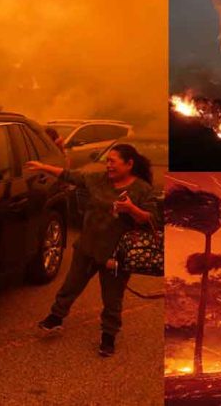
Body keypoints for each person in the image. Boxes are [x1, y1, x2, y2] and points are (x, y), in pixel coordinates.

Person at [24, 143, 158, 356]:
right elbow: (71, 175)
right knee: (71, 286)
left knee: (112, 298)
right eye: (107, 161)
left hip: (116, 256)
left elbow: (152, 220)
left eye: (113, 161)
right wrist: (43, 167)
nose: (108, 165)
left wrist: (131, 209)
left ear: (129, 164)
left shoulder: (142, 189)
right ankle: (56, 318)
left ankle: (108, 336)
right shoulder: (98, 180)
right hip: (87, 247)